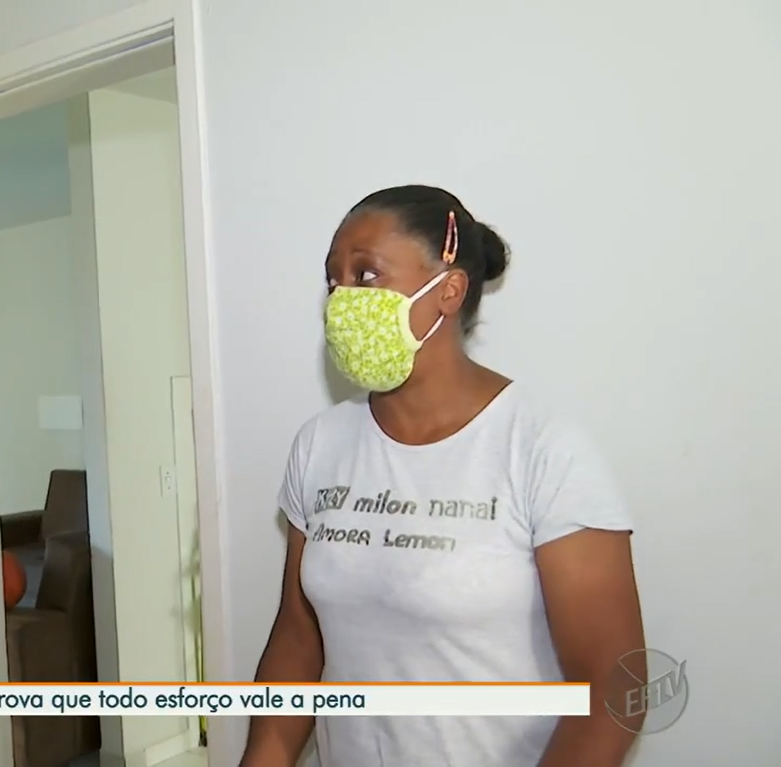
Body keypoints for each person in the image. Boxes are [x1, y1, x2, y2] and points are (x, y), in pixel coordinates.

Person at [240, 185, 646, 767]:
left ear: (448, 290)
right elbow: (299, 637)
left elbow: (615, 685)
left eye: (366, 275)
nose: (342, 299)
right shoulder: (319, 446)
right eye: (334, 280)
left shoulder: (542, 451)